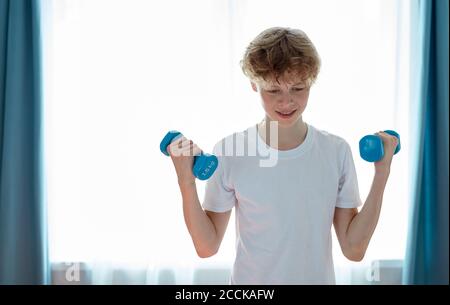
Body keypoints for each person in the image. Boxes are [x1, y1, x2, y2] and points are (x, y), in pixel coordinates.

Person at [167, 27, 398, 284]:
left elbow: (354, 250)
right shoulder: (230, 151)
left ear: (311, 82)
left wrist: (382, 172)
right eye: (274, 91)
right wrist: (186, 182)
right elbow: (206, 247)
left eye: (298, 88)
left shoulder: (335, 151)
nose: (287, 102)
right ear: (254, 84)